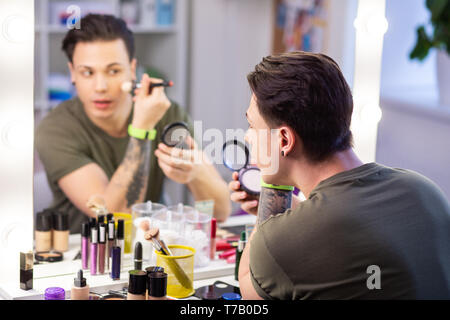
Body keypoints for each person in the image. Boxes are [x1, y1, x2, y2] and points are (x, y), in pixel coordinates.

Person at [231, 51, 450, 299]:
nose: (248, 137)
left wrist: (272, 192)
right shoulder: (424, 190)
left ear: (283, 140)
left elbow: (250, 290)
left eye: (252, 125)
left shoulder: (280, 243)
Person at [36, 14, 231, 233]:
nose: (100, 86)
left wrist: (196, 173)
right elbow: (116, 217)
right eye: (88, 72)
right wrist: (141, 130)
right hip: (84, 254)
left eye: (113, 71)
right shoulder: (55, 129)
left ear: (132, 69)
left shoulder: (166, 113)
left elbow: (219, 212)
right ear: (73, 73)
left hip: (149, 250)